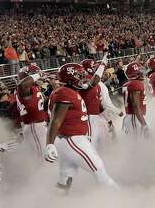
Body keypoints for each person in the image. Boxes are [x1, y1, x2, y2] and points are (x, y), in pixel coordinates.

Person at [44, 63, 118, 191]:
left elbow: (92, 83)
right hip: (71, 140)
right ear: (70, 77)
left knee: (65, 179)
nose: (83, 77)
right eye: (79, 75)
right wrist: (49, 144)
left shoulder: (69, 91)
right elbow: (55, 121)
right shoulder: (64, 93)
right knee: (98, 169)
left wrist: (102, 65)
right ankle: (122, 200)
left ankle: (56, 204)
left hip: (68, 140)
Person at [16, 64, 49, 161]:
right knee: (42, 155)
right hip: (34, 126)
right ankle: (42, 174)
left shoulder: (33, 88)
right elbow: (23, 84)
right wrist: (39, 74)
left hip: (38, 125)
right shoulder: (23, 88)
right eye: (34, 75)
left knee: (47, 151)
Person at [122, 62, 148, 139]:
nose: (141, 73)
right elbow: (136, 106)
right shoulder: (136, 84)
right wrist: (144, 124)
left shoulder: (128, 84)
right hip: (134, 117)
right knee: (138, 144)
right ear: (135, 74)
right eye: (139, 71)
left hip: (131, 117)